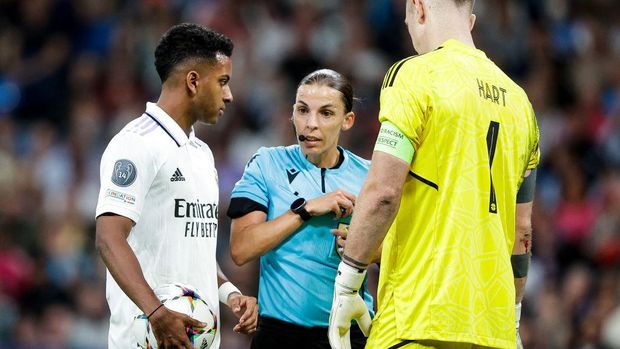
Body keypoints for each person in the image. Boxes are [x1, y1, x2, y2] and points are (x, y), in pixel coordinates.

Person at [327, 1, 540, 349]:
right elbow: (522, 232)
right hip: (495, 331)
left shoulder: (413, 75)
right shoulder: (521, 104)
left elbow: (383, 191)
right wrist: (513, 318)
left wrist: (349, 282)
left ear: (419, 9)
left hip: (417, 321)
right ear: (469, 22)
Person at [94, 23, 258, 349]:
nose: (229, 94)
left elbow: (193, 252)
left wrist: (231, 295)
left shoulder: (202, 154)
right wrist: (157, 312)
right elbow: (108, 238)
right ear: (193, 81)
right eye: (223, 82)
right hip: (145, 340)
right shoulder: (136, 144)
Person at [227, 69, 377, 349]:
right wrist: (304, 210)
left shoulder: (370, 176)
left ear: (348, 121)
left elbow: (399, 253)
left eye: (326, 113)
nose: (311, 124)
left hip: (350, 334)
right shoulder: (266, 164)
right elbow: (241, 249)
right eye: (303, 110)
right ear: (291, 114)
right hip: (280, 336)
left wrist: (366, 247)